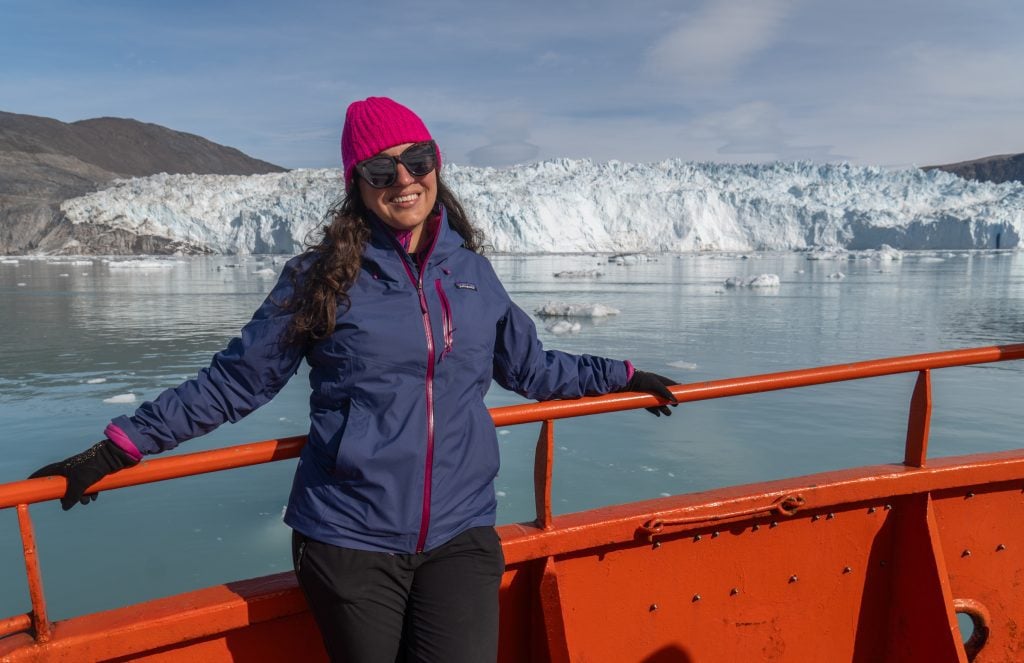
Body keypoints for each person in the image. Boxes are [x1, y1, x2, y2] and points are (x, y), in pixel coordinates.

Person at [29, 96, 678, 662]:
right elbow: (235, 382)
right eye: (380, 168)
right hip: (349, 540)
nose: (403, 178)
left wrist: (622, 374)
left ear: (436, 163)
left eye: (417, 159)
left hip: (459, 533)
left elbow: (533, 367)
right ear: (357, 182)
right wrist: (119, 445)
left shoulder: (472, 274)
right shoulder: (322, 278)